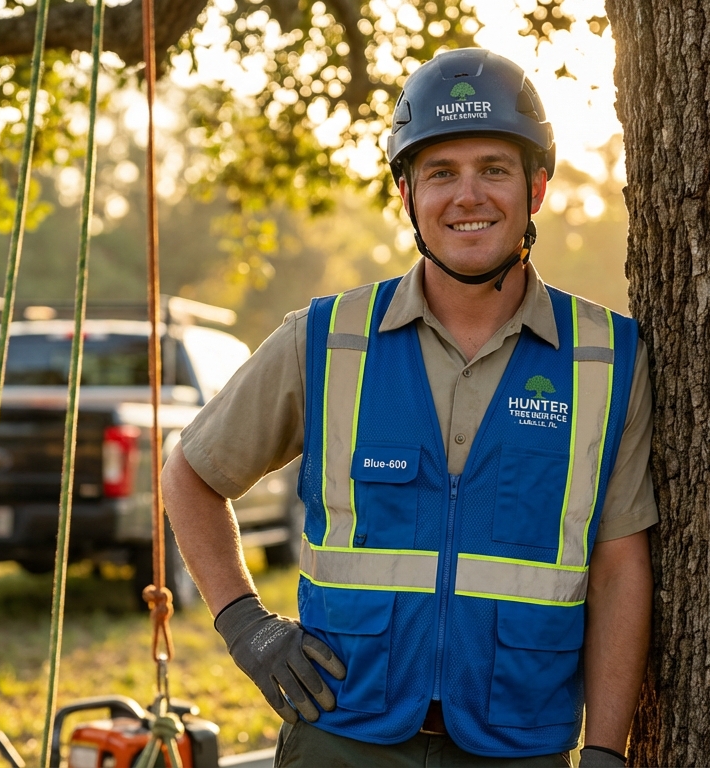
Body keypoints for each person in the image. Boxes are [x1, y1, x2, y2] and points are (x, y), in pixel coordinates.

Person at [162, 47, 655, 768]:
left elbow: (618, 565)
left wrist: (608, 751)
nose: (468, 196)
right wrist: (245, 625)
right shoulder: (325, 340)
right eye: (440, 173)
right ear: (406, 194)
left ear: (537, 188)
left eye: (494, 168)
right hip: (342, 736)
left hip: (518, 746)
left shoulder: (608, 358)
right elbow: (191, 476)